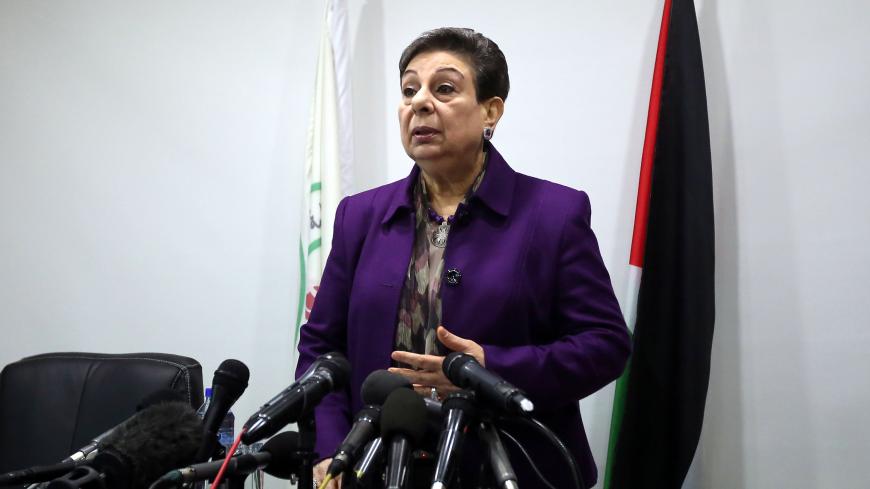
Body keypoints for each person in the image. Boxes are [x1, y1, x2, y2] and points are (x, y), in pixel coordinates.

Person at [296, 27, 630, 489]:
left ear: (491, 110)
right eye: (409, 90)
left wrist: (491, 367)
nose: (419, 103)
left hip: (508, 468)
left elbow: (605, 345)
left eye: (445, 88)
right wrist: (333, 449)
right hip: (375, 466)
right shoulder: (360, 215)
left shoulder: (553, 214)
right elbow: (321, 348)